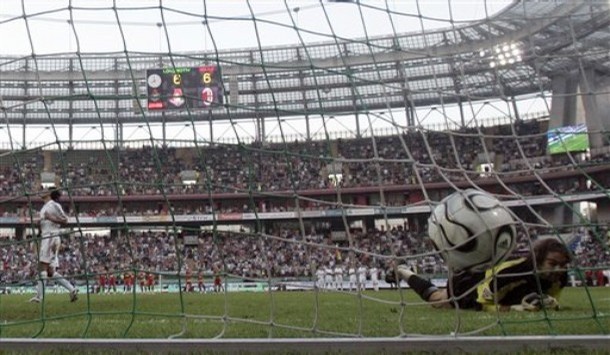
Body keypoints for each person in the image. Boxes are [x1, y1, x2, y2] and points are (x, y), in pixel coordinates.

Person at [394, 238, 571, 312]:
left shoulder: (561, 276)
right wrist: (514, 308)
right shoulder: (511, 274)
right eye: (553, 264)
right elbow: (483, 303)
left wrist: (550, 303)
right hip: (473, 281)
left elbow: (549, 298)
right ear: (538, 260)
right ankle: (402, 271)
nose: (559, 269)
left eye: (562, 265)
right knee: (439, 300)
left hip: (491, 278)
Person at [30, 188, 78, 303]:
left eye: (44, 190)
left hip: (51, 237)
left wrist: (50, 218)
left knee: (42, 266)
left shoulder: (54, 205)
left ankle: (39, 297)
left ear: (49, 194)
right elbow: (45, 224)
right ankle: (72, 289)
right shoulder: (43, 208)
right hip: (46, 237)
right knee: (50, 271)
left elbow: (65, 220)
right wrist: (39, 227)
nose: (41, 191)